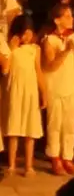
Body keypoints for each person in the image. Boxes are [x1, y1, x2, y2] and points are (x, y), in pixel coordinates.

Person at [40, 4, 74, 175]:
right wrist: (65, 51)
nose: (71, 19)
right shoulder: (49, 40)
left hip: (71, 84)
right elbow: (50, 66)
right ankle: (55, 157)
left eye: (71, 15)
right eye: (67, 16)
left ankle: (68, 157)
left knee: (69, 123)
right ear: (57, 20)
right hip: (55, 85)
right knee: (55, 122)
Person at [0, 16, 44, 175]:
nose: (27, 36)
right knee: (14, 129)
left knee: (30, 130)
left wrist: (44, 93)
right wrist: (11, 49)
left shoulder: (35, 49)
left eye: (29, 33)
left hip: (30, 92)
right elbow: (5, 70)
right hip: (14, 92)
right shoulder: (10, 49)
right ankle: (12, 164)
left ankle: (29, 165)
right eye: (24, 33)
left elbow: (39, 72)